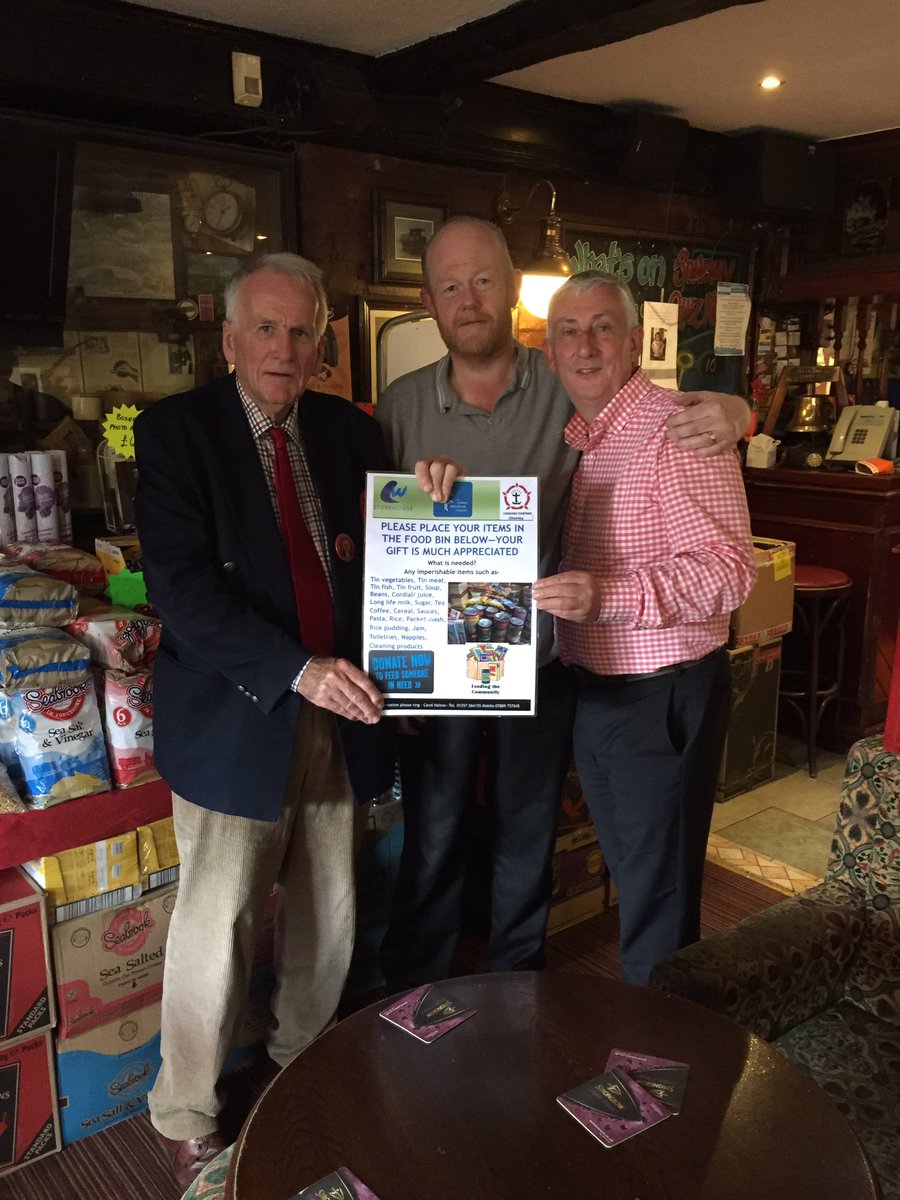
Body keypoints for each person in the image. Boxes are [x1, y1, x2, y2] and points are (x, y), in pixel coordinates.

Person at [375, 216, 751, 993]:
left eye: (485, 281)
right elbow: (381, 539)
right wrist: (397, 667)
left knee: (531, 840)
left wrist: (738, 412)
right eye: (451, 286)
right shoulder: (406, 404)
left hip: (552, 667)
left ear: (513, 291)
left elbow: (716, 533)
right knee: (435, 835)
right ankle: (419, 996)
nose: (469, 300)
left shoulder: (578, 392)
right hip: (456, 671)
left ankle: (523, 992)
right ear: (430, 301)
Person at [134, 253, 394, 1191]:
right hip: (237, 715)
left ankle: (300, 1067)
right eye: (267, 329)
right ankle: (187, 1111)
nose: (286, 348)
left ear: (323, 343)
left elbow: (394, 553)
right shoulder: (176, 432)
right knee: (218, 925)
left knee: (330, 909)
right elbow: (182, 590)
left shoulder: (350, 431)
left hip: (343, 709)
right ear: (231, 338)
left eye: (302, 331)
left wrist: (433, 491)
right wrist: (296, 670)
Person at [533, 270, 756, 985]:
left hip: (661, 695)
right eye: (569, 331)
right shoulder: (586, 435)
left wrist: (608, 597)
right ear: (549, 353)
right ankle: (657, 1028)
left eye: (602, 327)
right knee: (640, 881)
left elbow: (730, 572)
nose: (585, 345)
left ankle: (656, 1050)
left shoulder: (678, 427)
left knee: (659, 901)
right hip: (597, 693)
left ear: (635, 343)